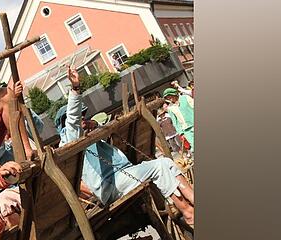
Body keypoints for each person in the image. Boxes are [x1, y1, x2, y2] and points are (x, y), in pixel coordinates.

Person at [58, 67, 195, 224]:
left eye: (84, 116)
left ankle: (193, 200)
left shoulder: (86, 136)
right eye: (80, 117)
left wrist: (95, 124)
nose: (83, 119)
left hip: (122, 175)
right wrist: (75, 88)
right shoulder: (69, 138)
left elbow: (103, 121)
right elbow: (72, 119)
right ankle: (188, 212)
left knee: (167, 162)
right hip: (110, 184)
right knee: (159, 167)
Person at [162, 87, 194, 154]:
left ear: (174, 94)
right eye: (167, 98)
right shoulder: (171, 108)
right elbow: (175, 122)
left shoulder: (185, 98)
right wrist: (181, 133)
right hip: (186, 130)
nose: (169, 98)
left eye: (170, 96)